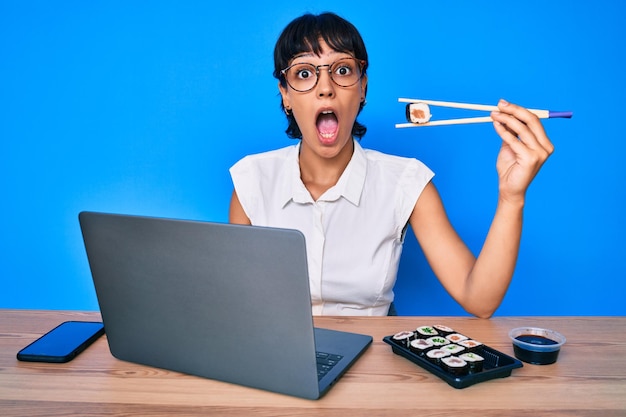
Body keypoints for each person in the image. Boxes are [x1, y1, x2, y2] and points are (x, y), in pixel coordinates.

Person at [228, 12, 554, 317]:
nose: (325, 89)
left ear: (362, 87)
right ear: (285, 94)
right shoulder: (251, 181)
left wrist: (512, 197)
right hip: (279, 362)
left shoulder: (406, 182)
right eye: (304, 74)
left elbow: (479, 298)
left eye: (342, 70)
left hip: (373, 365)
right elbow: (238, 304)